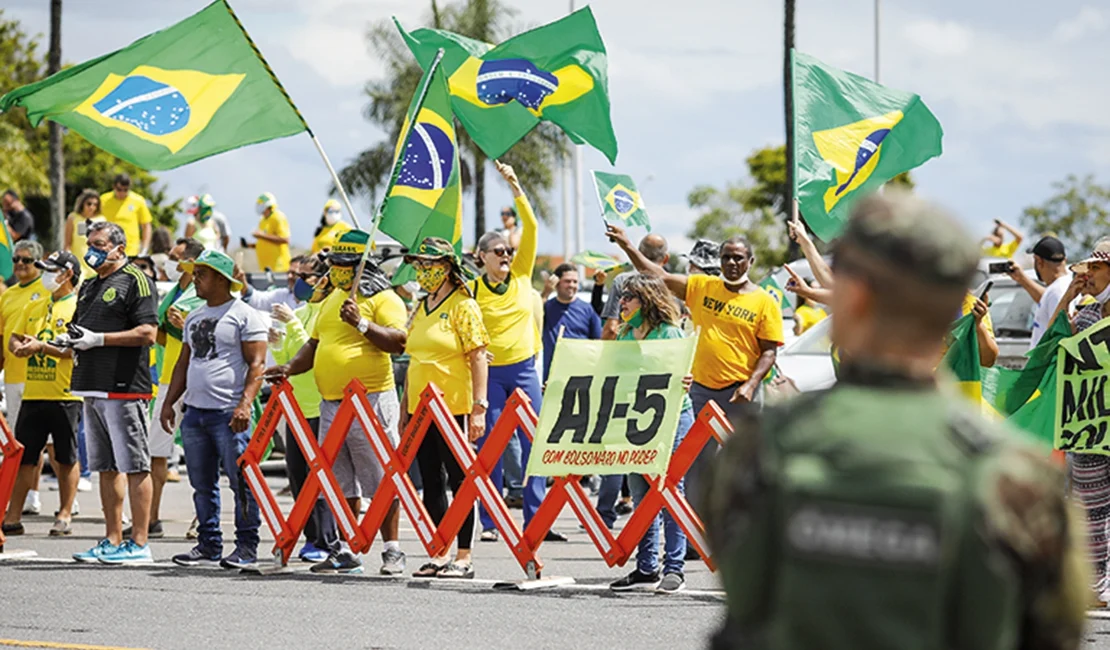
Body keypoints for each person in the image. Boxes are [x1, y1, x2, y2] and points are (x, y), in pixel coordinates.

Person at [705, 191, 1088, 649]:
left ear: (852, 302)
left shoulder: (763, 452)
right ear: (950, 308)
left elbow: (746, 614)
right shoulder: (1016, 475)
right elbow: (1054, 633)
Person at [606, 223, 783, 514]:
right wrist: (627, 245)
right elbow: (658, 275)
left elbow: (769, 352)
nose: (732, 263)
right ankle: (695, 536)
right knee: (695, 466)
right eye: (727, 257)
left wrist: (751, 384)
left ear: (751, 262)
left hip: (742, 393)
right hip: (700, 391)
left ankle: (743, 529)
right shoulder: (702, 286)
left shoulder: (764, 301)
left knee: (744, 463)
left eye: (739, 258)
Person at [264, 230, 408, 575]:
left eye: (346, 265)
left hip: (370, 400)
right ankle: (347, 547)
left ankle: (393, 550)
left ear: (362, 265)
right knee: (340, 479)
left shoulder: (383, 298)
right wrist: (289, 367)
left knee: (381, 477)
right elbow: (315, 345)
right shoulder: (331, 299)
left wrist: (361, 323)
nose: (339, 270)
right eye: (336, 264)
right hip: (332, 403)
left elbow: (399, 342)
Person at [159, 250, 267, 569]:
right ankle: (209, 544)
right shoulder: (194, 316)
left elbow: (257, 364)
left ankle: (247, 545)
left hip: (228, 412)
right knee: (201, 483)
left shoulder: (244, 315)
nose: (195, 280)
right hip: (195, 412)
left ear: (221, 279)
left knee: (241, 482)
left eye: (201, 274)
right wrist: (169, 404)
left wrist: (244, 404)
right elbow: (183, 361)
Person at [470, 162, 557, 543]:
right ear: (482, 256)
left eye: (508, 250)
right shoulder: (471, 290)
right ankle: (490, 521)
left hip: (524, 371)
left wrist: (516, 186)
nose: (506, 255)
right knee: (489, 446)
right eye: (499, 251)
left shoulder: (522, 275)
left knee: (534, 444)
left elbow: (532, 228)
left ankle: (535, 520)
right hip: (490, 377)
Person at [67, 221, 158, 565]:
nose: (93, 250)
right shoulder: (90, 285)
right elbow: (81, 330)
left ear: (119, 248)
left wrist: (99, 340)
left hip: (123, 387)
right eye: (90, 243)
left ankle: (139, 542)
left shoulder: (136, 279)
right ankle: (111, 538)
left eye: (100, 244)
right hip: (91, 384)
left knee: (134, 465)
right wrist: (64, 342)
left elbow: (148, 331)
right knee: (105, 466)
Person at [403, 238, 489, 578]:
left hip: (453, 405)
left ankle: (464, 554)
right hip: (421, 408)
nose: (423, 272)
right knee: (431, 480)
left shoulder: (463, 306)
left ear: (448, 268)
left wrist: (479, 406)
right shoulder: (420, 306)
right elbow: (413, 357)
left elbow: (478, 355)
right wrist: (406, 409)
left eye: (430, 265)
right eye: (420, 265)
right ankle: (439, 550)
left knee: (459, 479)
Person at [606, 274, 695, 594]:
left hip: (672, 419)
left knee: (671, 492)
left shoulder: (670, 333)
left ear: (648, 300)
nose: (623, 302)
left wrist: (687, 379)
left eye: (629, 297)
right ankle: (646, 568)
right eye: (622, 297)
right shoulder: (625, 336)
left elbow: (685, 372)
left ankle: (675, 568)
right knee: (642, 495)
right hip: (635, 423)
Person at [1, 252, 82, 538]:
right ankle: (12, 515)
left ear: (67, 274)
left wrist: (40, 348)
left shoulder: (78, 307)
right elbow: (14, 334)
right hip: (33, 392)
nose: (46, 275)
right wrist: (16, 347)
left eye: (52, 270)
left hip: (66, 394)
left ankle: (64, 513)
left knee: (66, 457)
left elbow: (75, 349)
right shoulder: (36, 304)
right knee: (24, 456)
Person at [1050, 239, 1110, 601]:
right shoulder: (1086, 314)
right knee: (1090, 511)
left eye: (1096, 269)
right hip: (1090, 430)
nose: (1087, 277)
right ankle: (1094, 586)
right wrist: (1068, 298)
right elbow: (1052, 345)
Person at [268, 252, 331, 563]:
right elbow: (289, 362)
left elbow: (313, 354)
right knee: (296, 474)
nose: (296, 282)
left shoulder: (323, 313)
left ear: (321, 279)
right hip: (297, 408)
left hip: (320, 405)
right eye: (292, 277)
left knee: (319, 476)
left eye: (303, 276)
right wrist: (276, 343)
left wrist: (291, 325)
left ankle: (326, 538)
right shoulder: (303, 310)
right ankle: (310, 536)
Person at [146, 237, 206, 540]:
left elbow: (207, 336)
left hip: (193, 379)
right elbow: (160, 336)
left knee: (198, 453)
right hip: (167, 378)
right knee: (155, 450)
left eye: (174, 257)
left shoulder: (202, 293)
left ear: (190, 262)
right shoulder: (172, 292)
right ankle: (150, 517)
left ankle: (202, 519)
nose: (168, 261)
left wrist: (184, 327)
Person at [0, 240, 45, 515]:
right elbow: (2, 338)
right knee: (19, 439)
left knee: (41, 441)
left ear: (37, 263)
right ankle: (18, 494)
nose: (19, 264)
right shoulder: (8, 295)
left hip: (42, 377)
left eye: (26, 260)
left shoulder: (47, 291)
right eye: (16, 259)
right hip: (14, 377)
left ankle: (35, 494)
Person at [601, 234, 670, 341]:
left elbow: (611, 329)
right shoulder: (674, 284)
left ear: (638, 254)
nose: (622, 301)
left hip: (627, 350)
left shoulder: (622, 280)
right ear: (666, 259)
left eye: (628, 296)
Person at [1007, 235, 1071, 348]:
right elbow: (1046, 300)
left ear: (1039, 261)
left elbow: (1058, 336)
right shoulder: (1064, 286)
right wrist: (1022, 278)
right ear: (1064, 260)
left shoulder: (1057, 291)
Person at [541, 263, 602, 382]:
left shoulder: (587, 309)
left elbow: (597, 342)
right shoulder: (547, 307)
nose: (572, 285)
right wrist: (546, 292)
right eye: (567, 281)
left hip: (581, 377)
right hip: (553, 378)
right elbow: (533, 317)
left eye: (575, 282)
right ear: (557, 283)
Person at [99, 173, 152, 256]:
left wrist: (144, 249)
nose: (122, 193)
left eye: (125, 190)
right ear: (114, 187)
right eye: (119, 189)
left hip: (131, 251)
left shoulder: (138, 201)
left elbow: (146, 226)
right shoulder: (103, 200)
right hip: (107, 249)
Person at [236, 255, 305, 312]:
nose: (289, 276)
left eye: (294, 273)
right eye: (288, 273)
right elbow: (258, 300)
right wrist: (242, 281)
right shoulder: (281, 295)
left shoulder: (312, 302)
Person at [64, 190, 108, 279]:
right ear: (82, 203)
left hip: (95, 264)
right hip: (78, 264)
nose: (92, 207)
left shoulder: (102, 220)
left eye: (95, 205)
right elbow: (67, 243)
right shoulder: (73, 218)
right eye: (89, 204)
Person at [247, 192, 291, 272]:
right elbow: (265, 242)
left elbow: (285, 239)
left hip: (278, 267)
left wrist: (261, 235)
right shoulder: (263, 221)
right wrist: (249, 245)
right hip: (265, 267)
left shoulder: (278, 217)